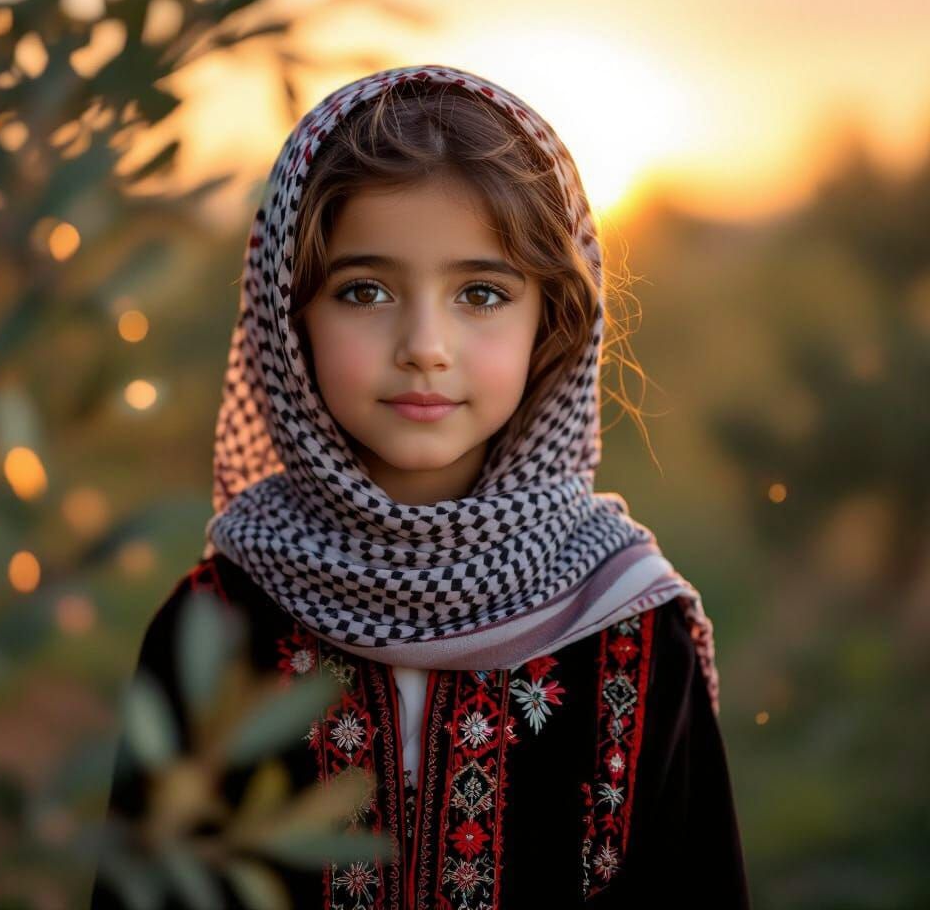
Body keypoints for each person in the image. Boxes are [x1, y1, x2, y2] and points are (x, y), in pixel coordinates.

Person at [90, 64, 750, 908]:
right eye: (365, 290)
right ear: (289, 321)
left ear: (551, 323)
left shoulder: (632, 628)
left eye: (481, 293)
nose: (425, 344)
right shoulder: (216, 626)